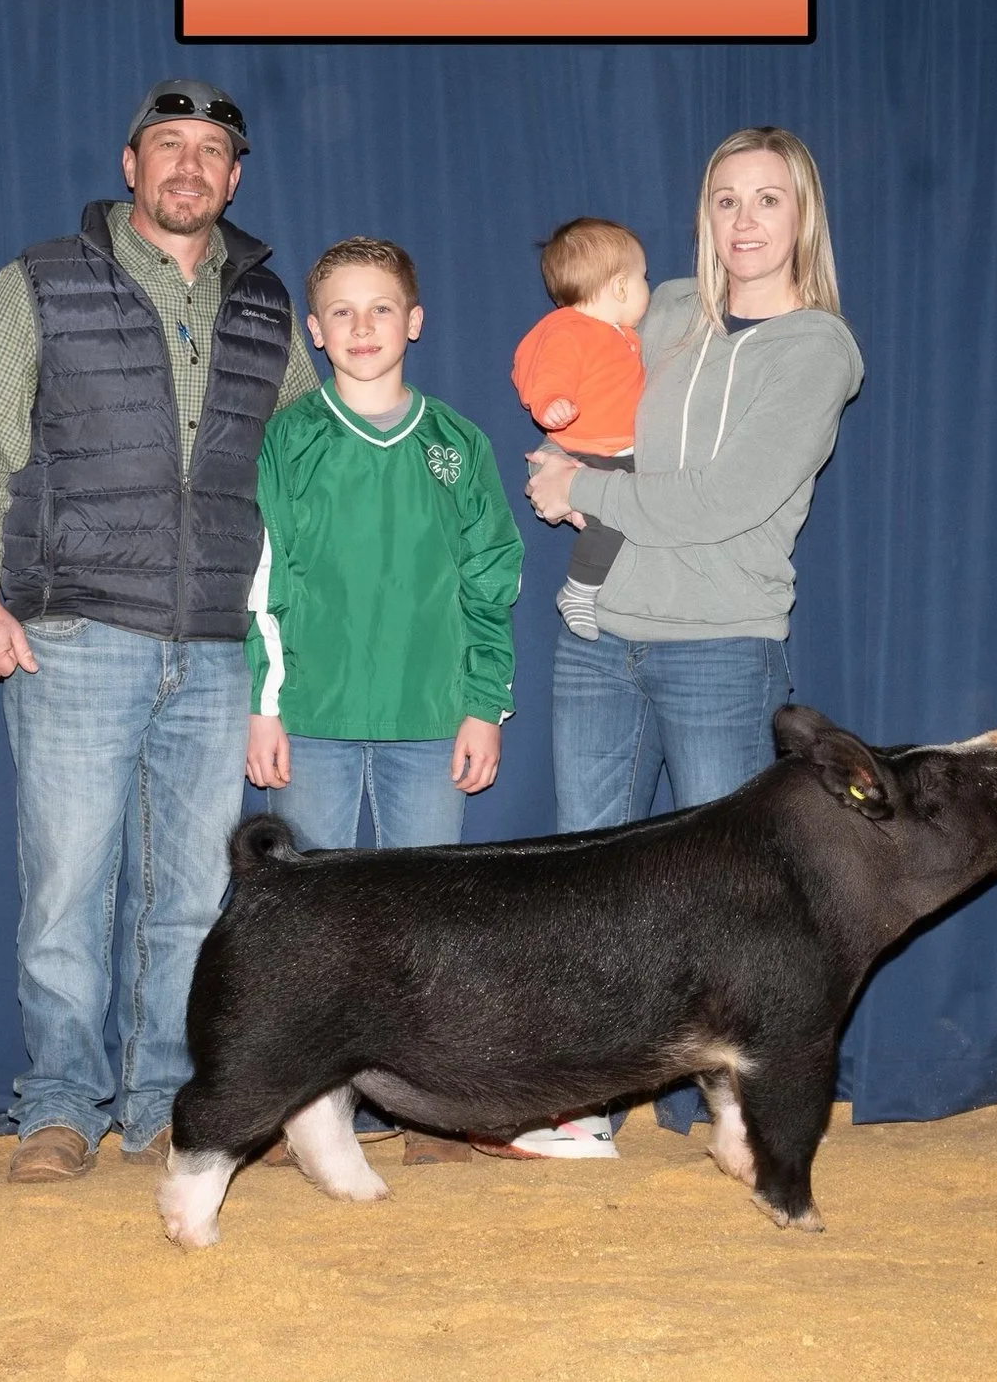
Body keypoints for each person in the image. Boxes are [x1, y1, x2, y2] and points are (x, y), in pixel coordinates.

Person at [0, 79, 320, 1181]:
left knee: (194, 894)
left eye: (211, 150)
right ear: (129, 163)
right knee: (66, 881)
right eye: (169, 146)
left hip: (213, 642)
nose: (189, 166)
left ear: (234, 177)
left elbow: (311, 459)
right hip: (76, 630)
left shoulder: (268, 305)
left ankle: (161, 1102)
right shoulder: (41, 281)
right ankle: (56, 1103)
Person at [519, 127, 863, 1152]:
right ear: (702, 215)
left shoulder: (819, 349)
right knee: (586, 888)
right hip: (599, 637)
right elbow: (569, 379)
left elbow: (723, 500)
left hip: (719, 643)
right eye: (725, 200)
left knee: (730, 902)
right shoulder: (661, 308)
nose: (745, 220)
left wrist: (582, 485)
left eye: (767, 199)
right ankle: (585, 1100)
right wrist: (560, 442)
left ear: (802, 215)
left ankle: (737, 1106)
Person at [243, 237, 524, 1161]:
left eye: (381, 309)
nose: (363, 328)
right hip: (314, 722)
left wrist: (484, 702)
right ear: (317, 332)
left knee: (428, 931)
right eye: (343, 313)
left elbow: (492, 577)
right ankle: (308, 1111)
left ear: (414, 321)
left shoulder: (456, 444)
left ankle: (428, 1109)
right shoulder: (293, 437)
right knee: (308, 934)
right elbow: (266, 577)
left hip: (428, 725)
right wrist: (266, 704)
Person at [511, 218, 650, 641]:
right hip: (573, 450)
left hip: (613, 452)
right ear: (622, 287)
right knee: (616, 519)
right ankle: (580, 590)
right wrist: (550, 402)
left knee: (637, 514)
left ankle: (602, 586)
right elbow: (543, 369)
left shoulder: (621, 334)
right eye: (644, 278)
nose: (649, 287)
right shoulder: (568, 328)